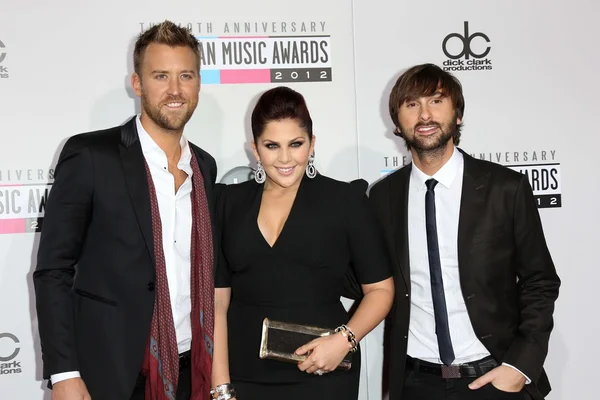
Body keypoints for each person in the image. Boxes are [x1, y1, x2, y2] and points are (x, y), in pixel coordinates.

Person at [33, 21, 218, 400]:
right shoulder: (91, 156)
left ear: (198, 83)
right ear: (137, 84)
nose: (174, 90)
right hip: (110, 372)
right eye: (160, 76)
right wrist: (64, 373)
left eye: (185, 75)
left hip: (189, 367)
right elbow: (53, 270)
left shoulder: (205, 167)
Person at [368, 63, 560, 400]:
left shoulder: (505, 188)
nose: (425, 115)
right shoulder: (383, 196)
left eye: (437, 101)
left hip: (494, 377)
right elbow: (370, 280)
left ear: (457, 114)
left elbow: (539, 281)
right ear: (397, 122)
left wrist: (520, 366)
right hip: (415, 382)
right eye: (412, 105)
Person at [211, 86, 394, 399]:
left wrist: (344, 340)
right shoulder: (227, 202)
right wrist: (220, 387)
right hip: (243, 375)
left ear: (312, 144)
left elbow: (380, 290)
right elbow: (217, 302)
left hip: (323, 370)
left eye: (296, 144)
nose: (285, 158)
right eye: (272, 146)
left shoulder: (346, 201)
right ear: (254, 149)